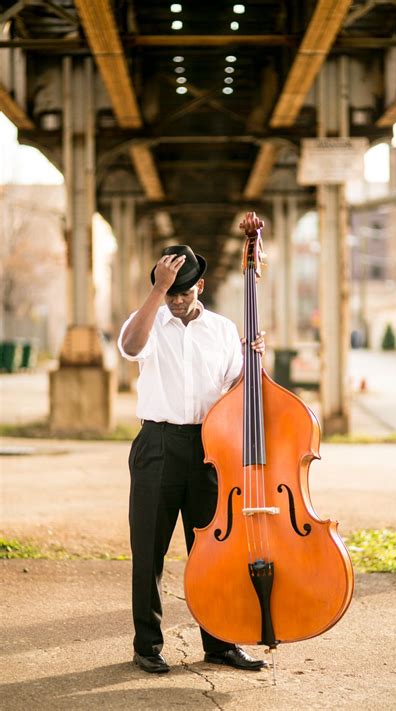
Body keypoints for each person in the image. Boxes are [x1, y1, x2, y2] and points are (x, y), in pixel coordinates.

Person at [118, 236, 266, 674]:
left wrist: (256, 360)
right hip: (157, 444)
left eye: (183, 291)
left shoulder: (221, 330)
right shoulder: (149, 318)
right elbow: (129, 348)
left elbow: (239, 389)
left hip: (208, 448)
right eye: (171, 292)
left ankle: (220, 644)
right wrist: (156, 291)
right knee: (149, 552)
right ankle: (147, 645)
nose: (177, 301)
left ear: (199, 287)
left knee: (213, 552)